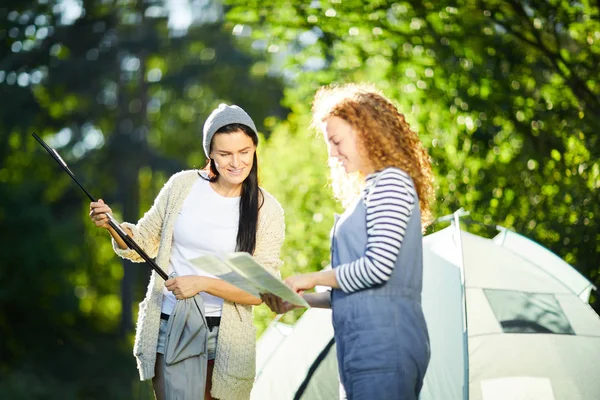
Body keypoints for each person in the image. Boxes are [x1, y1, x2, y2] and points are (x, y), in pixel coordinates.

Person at [89, 104, 285, 400]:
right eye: (225, 154)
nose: (236, 163)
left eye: (244, 152)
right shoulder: (182, 186)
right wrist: (111, 225)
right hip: (171, 325)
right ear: (210, 154)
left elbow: (263, 291)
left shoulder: (266, 209)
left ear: (254, 149)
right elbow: (142, 242)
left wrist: (202, 283)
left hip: (226, 338)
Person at [263, 83, 435, 399]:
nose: (332, 152)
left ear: (368, 131)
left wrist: (310, 277)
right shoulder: (369, 192)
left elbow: (377, 269)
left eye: (337, 140)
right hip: (362, 351)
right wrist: (300, 299)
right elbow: (355, 288)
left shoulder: (392, 183)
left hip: (385, 346)